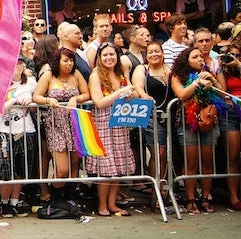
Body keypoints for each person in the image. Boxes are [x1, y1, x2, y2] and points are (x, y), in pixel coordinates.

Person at [171, 46, 225, 214]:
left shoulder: (208, 73)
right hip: (188, 123)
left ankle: (205, 197)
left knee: (208, 162)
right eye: (195, 57)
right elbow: (181, 95)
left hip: (208, 121)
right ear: (186, 60)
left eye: (201, 57)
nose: (200, 59)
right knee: (191, 162)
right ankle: (190, 197)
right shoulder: (177, 76)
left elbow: (222, 94)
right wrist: (196, 83)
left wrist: (213, 82)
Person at [86, 42, 138, 217]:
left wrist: (131, 94)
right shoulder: (95, 75)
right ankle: (102, 205)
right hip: (103, 123)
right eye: (105, 55)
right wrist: (120, 93)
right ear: (99, 58)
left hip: (120, 122)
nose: (109, 58)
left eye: (112, 55)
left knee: (118, 166)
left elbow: (133, 93)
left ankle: (112, 203)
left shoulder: (121, 73)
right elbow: (99, 102)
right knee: (106, 168)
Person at [33, 48, 90, 202]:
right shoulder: (49, 76)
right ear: (57, 61)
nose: (69, 64)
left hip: (74, 122)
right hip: (55, 124)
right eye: (65, 60)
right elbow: (36, 96)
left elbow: (87, 94)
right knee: (62, 168)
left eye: (71, 60)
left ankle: (69, 200)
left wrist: (77, 99)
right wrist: (48, 100)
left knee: (74, 164)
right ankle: (55, 199)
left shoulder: (76, 75)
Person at [0, 56, 37, 217]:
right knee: (6, 169)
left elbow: (35, 108)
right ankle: (4, 203)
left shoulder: (30, 82)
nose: (17, 66)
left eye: (19, 63)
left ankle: (15, 201)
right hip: (5, 131)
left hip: (26, 129)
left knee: (21, 168)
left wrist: (30, 101)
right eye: (13, 64)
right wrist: (15, 100)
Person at [132, 41, 174, 211]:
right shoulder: (142, 69)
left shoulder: (170, 70)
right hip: (151, 116)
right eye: (150, 52)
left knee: (170, 154)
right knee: (159, 152)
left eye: (157, 51)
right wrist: (144, 95)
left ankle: (165, 189)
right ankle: (156, 192)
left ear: (162, 53)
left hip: (171, 115)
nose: (154, 54)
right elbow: (138, 86)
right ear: (146, 55)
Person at [216, 42, 241, 210]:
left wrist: (239, 65)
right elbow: (220, 88)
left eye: (237, 55)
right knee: (232, 156)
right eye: (231, 55)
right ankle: (233, 196)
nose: (233, 59)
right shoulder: (221, 69)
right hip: (231, 112)